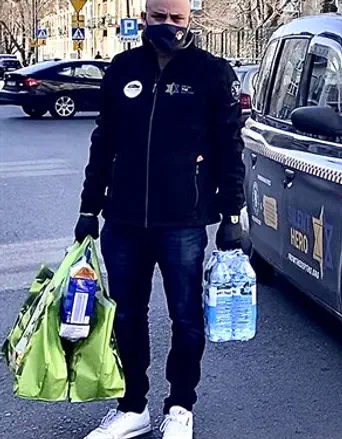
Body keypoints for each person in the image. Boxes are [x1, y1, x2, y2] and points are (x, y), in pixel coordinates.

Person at [74, 0, 245, 436]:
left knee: (185, 317)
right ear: (143, 18)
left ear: (189, 20)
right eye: (157, 17)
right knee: (127, 315)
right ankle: (133, 407)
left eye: (175, 19)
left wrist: (232, 213)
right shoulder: (122, 68)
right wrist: (88, 208)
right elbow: (103, 142)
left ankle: (180, 406)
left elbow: (230, 146)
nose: (165, 26)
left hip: (183, 222)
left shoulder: (210, 72)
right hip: (124, 220)